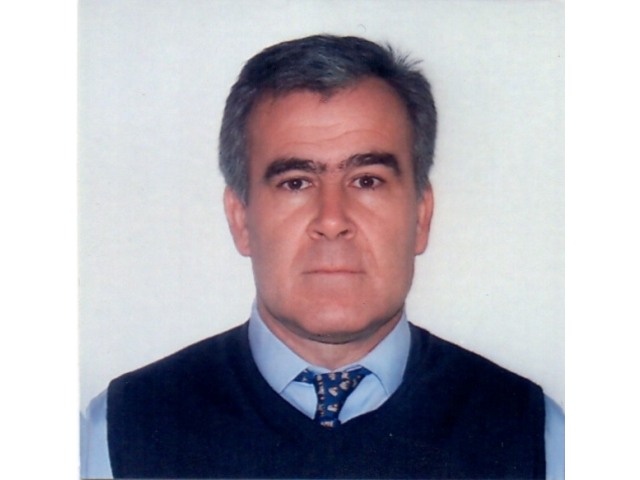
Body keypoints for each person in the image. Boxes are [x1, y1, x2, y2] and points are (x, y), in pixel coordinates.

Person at [81, 34, 564, 479]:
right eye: (296, 183)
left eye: (367, 180)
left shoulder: (538, 438)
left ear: (421, 215)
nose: (332, 219)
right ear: (241, 219)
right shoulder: (118, 436)